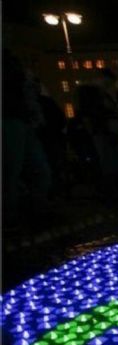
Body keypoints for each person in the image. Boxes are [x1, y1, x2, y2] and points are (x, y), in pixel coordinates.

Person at [2, 51, 52, 226]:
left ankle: (37, 210)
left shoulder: (11, 61)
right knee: (11, 172)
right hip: (10, 119)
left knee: (40, 169)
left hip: (23, 120)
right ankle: (11, 215)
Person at [77, 68, 118, 203]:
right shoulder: (89, 93)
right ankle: (109, 196)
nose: (108, 86)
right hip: (102, 133)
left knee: (113, 164)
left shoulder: (104, 94)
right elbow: (88, 114)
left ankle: (113, 194)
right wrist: (93, 131)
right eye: (107, 82)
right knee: (107, 164)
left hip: (110, 134)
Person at [37, 83, 68, 199]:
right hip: (52, 139)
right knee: (53, 167)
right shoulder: (47, 102)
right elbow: (61, 119)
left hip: (47, 139)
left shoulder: (41, 103)